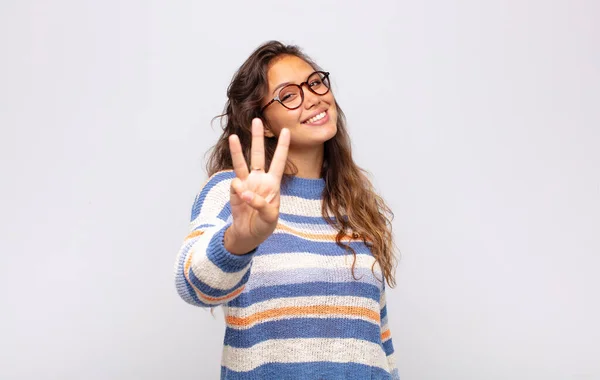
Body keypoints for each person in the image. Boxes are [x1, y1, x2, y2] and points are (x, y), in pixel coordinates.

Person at [174, 40, 401, 380]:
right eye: (289, 95)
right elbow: (193, 286)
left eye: (315, 83)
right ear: (262, 123)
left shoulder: (356, 205)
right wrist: (240, 239)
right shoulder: (236, 193)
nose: (313, 97)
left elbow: (378, 344)